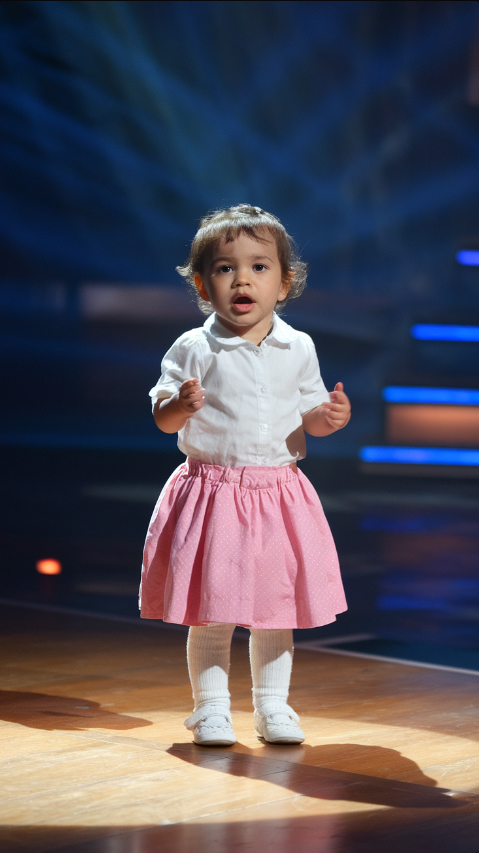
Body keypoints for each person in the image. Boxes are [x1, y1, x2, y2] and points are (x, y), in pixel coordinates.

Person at [140, 204, 350, 747]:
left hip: (278, 493)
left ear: (284, 284)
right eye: (225, 267)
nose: (243, 279)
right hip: (214, 492)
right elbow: (163, 418)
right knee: (212, 611)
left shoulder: (298, 346)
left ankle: (272, 706)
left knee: (273, 608)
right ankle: (209, 708)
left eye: (260, 267)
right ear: (203, 285)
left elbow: (309, 413)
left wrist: (326, 419)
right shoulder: (194, 346)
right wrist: (180, 406)